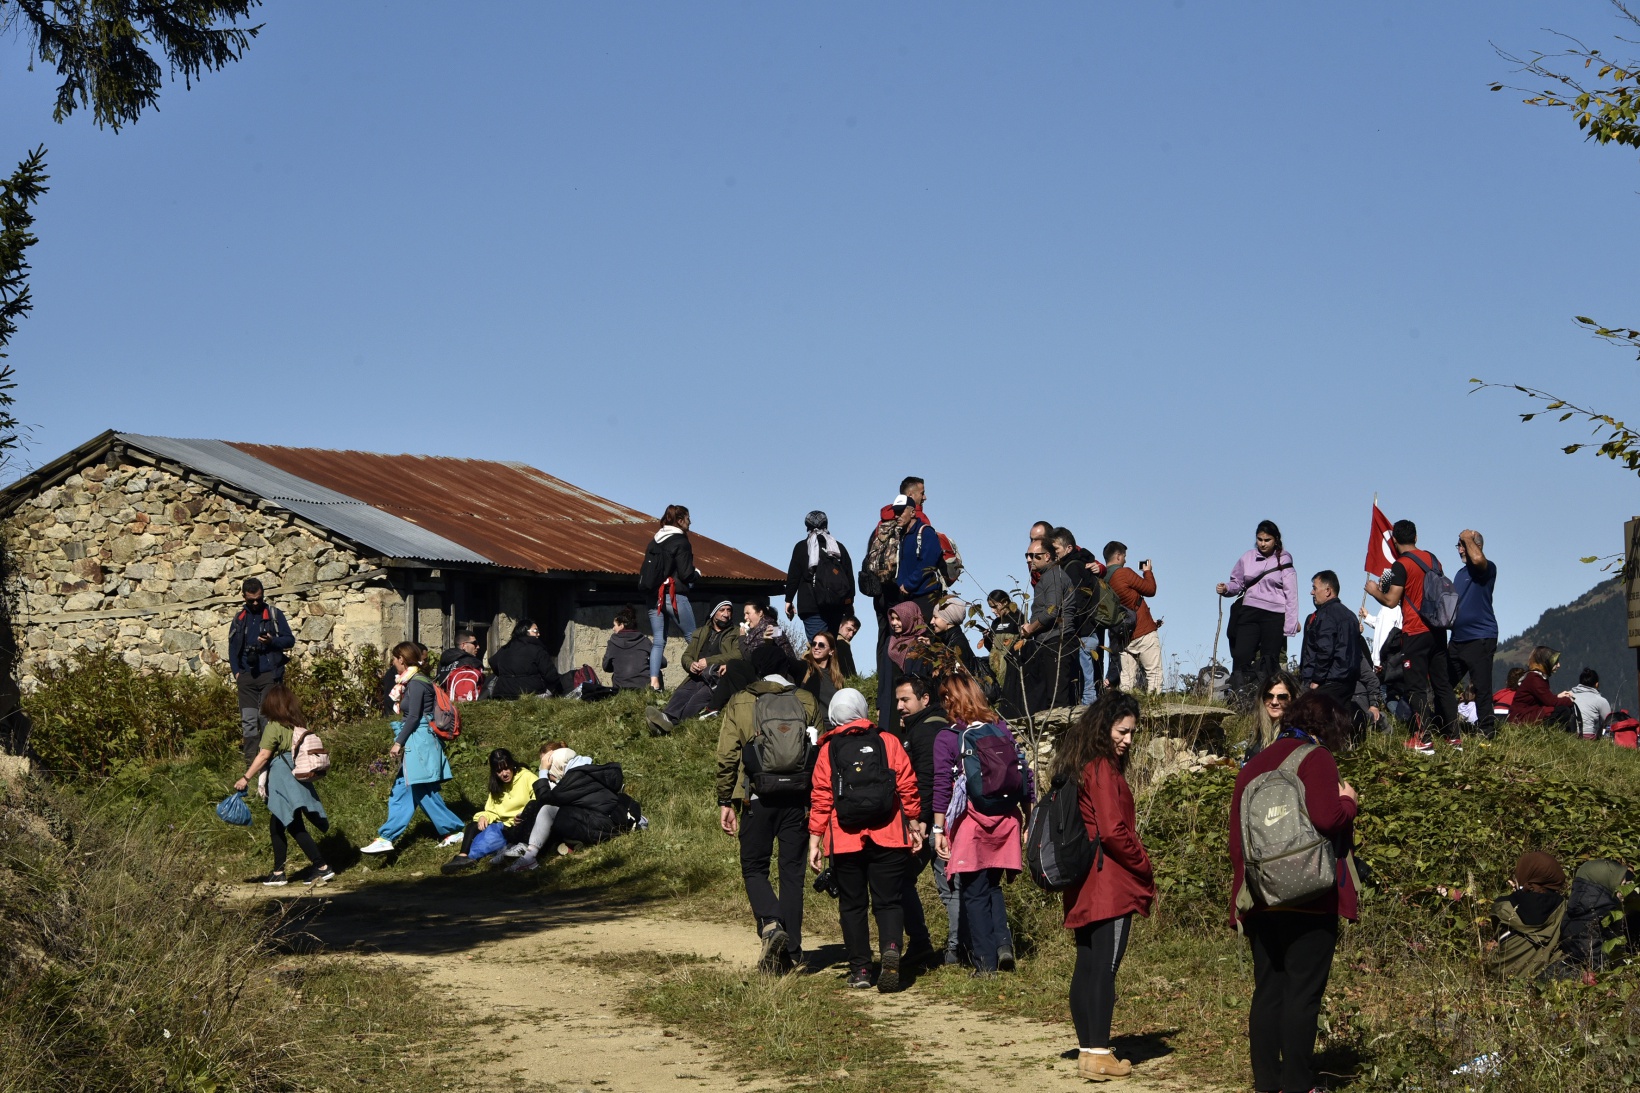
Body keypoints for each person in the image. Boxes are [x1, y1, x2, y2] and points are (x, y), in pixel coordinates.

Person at [1229, 692, 1359, 1093]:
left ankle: (1269, 1083)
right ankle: (1299, 1084)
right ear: (1327, 727)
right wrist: (1349, 802)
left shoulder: (1252, 766)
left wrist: (1243, 893)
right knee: (1302, 994)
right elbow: (1327, 815)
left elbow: (1238, 841)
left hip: (1261, 897)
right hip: (1310, 895)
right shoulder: (1314, 758)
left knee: (1268, 991)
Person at [1055, 691, 1155, 1081]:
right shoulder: (1101, 767)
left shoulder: (1081, 763)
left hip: (1085, 881)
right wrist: (1143, 864)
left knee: (1088, 964)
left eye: (1132, 732)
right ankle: (1098, 1051)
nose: (1128, 739)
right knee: (1104, 967)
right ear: (1104, 726)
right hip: (1108, 880)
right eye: (1122, 730)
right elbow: (1114, 830)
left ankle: (1088, 1051)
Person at [716, 643, 822, 974]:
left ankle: (771, 924)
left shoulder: (742, 700)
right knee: (792, 873)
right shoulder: (806, 700)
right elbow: (820, 751)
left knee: (754, 867)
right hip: (798, 800)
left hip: (756, 797)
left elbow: (727, 754)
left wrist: (725, 799)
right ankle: (791, 951)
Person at [808, 688, 923, 992]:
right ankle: (891, 948)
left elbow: (821, 796)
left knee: (852, 905)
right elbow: (907, 783)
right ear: (861, 709)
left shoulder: (828, 749)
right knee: (888, 901)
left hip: (845, 839)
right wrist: (913, 823)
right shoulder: (888, 741)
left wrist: (815, 840)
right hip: (888, 833)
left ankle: (860, 969)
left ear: (833, 714)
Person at [935, 674, 1031, 977]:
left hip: (972, 822)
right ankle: (1003, 946)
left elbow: (942, 786)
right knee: (992, 885)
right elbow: (1024, 774)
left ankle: (984, 963)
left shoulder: (949, 737)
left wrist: (938, 829)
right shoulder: (1001, 727)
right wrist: (1029, 816)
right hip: (1006, 819)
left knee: (973, 892)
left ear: (951, 700)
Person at [360, 643, 465, 855]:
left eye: (394, 658)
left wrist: (398, 742)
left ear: (402, 659)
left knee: (418, 790)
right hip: (417, 741)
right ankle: (388, 837)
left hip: (419, 742)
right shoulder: (413, 681)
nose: (392, 663)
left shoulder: (416, 683)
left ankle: (390, 836)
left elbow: (414, 717)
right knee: (404, 789)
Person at [1363, 520, 1459, 747]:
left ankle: (1423, 739)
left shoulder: (1401, 565)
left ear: (1394, 541)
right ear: (1416, 537)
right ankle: (1454, 737)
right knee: (1442, 684)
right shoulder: (1434, 560)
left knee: (1416, 687)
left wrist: (1375, 591)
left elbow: (1391, 600)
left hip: (1415, 631)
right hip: (1437, 629)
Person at [233, 683, 334, 887]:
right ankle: (279, 871)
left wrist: (246, 778)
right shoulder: (295, 723)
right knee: (278, 824)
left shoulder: (274, 726)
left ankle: (321, 867)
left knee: (293, 824)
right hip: (295, 773)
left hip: (282, 777)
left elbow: (263, 755)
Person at [895, 675, 952, 966]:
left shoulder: (926, 732)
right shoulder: (932, 726)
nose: (900, 706)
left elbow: (930, 780)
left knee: (904, 879)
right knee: (949, 886)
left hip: (931, 824)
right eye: (897, 701)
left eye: (905, 700)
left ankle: (928, 945)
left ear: (924, 699)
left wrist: (923, 821)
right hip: (939, 821)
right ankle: (955, 947)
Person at [1217, 521, 1298, 701]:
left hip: (1274, 615)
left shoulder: (1285, 561)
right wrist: (1227, 588)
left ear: (1276, 540)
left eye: (1267, 540)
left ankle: (1267, 700)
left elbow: (1291, 595)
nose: (1262, 543)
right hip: (1250, 610)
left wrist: (1290, 625)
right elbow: (1237, 583)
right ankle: (1239, 698)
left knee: (1269, 661)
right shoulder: (1248, 557)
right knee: (1241, 655)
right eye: (1259, 539)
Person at [228, 577, 296, 765]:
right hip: (246, 677)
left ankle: (271, 760)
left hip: (269, 675)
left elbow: (289, 640)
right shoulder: (239, 619)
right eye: (251, 600)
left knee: (267, 718)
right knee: (249, 721)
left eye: (259, 598)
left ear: (263, 594)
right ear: (244, 597)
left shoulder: (274, 614)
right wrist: (237, 673)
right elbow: (232, 649)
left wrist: (272, 641)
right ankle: (252, 763)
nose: (256, 603)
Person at [646, 600, 741, 734]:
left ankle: (671, 726)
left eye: (729, 610)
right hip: (696, 676)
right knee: (681, 694)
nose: (726, 614)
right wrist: (690, 665)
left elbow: (738, 654)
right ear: (714, 613)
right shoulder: (700, 632)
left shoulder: (736, 633)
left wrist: (708, 661)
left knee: (695, 702)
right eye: (722, 610)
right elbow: (686, 656)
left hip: (715, 679)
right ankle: (666, 718)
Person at [1440, 528, 1500, 738]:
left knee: (1482, 687)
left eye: (1463, 545)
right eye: (1458, 545)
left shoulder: (1487, 568)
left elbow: (1477, 558)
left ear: (1476, 546)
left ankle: (1486, 731)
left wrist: (1467, 535)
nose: (1459, 550)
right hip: (1458, 639)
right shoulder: (1460, 574)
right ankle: (1442, 725)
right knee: (1443, 683)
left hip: (1480, 637)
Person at [441, 749, 540, 872]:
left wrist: (523, 814)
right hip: (504, 827)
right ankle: (463, 857)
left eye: (506, 768)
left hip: (523, 824)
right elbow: (491, 810)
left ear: (512, 765)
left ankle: (509, 849)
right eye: (499, 771)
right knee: (474, 826)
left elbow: (539, 798)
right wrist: (484, 817)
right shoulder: (496, 785)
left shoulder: (526, 776)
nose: (504, 773)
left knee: (531, 807)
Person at [1014, 537, 1079, 715]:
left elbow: (1051, 611)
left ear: (1048, 556)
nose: (1029, 559)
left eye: (1034, 556)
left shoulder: (1053, 576)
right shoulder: (1048, 576)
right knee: (1048, 697)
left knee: (1057, 701)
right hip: (1049, 641)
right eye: (1027, 555)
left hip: (1057, 641)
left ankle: (1061, 741)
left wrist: (1030, 628)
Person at [641, 505, 700, 692]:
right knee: (694, 637)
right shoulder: (681, 542)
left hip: (653, 596)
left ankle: (654, 683)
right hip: (674, 596)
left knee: (658, 640)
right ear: (680, 520)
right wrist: (696, 574)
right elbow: (686, 573)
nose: (691, 521)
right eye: (688, 518)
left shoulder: (654, 541)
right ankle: (704, 676)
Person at [1487, 851, 1568, 978]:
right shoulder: (1564, 907)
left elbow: (1496, 942)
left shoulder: (1503, 905)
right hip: (1545, 980)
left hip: (1502, 977)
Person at [1051, 528, 1108, 706]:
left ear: (1068, 548)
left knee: (1084, 675)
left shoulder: (1073, 568)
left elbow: (1076, 600)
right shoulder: (1079, 564)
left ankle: (1087, 710)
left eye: (1056, 550)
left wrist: (1068, 625)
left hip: (1082, 630)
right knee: (1089, 673)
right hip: (1090, 629)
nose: (1053, 554)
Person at [784, 511, 856, 641]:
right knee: (830, 647)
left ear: (807, 527)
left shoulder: (801, 547)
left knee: (818, 648)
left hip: (811, 605)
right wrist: (849, 603)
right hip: (836, 605)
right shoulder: (838, 548)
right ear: (827, 525)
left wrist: (789, 599)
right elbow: (848, 578)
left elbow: (794, 576)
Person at [1299, 571, 1361, 711]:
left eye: (1315, 588)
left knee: (1316, 722)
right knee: (1340, 722)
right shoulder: (1350, 615)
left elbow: (1325, 649)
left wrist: (1316, 680)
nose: (1311, 592)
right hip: (1348, 682)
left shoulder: (1326, 615)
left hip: (1328, 682)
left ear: (1327, 591)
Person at [1107, 543, 1162, 695]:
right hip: (1142, 629)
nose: (1125, 560)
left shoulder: (1103, 579)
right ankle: (1154, 711)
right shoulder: (1123, 573)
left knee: (1126, 679)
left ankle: (1123, 714)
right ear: (1118, 556)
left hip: (1121, 634)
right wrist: (1147, 572)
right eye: (1124, 557)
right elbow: (1150, 589)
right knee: (1154, 674)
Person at [488, 618, 568, 699]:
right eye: (536, 631)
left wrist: (507, 676)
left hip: (503, 695)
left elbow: (492, 662)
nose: (538, 634)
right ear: (525, 631)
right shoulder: (537, 650)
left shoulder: (504, 649)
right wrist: (559, 690)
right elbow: (551, 676)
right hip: (530, 694)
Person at [895, 497, 945, 618]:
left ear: (912, 512)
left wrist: (908, 584)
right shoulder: (902, 536)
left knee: (924, 635)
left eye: (901, 511)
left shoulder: (926, 532)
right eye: (895, 512)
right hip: (907, 597)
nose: (897, 516)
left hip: (926, 596)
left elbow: (928, 563)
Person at [1509, 646, 1576, 730]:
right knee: (1563, 711)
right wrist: (1569, 700)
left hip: (1523, 715)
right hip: (1521, 718)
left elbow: (1546, 698)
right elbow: (1551, 702)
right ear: (1546, 662)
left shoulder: (1535, 677)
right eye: (1555, 662)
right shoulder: (1535, 679)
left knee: (1562, 710)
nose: (1558, 665)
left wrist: (1558, 696)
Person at [1244, 669, 1299, 763]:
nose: (1274, 702)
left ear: (1293, 699)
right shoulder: (1258, 731)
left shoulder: (1296, 735)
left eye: (1282, 697)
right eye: (1269, 696)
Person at [603, 605, 660, 690]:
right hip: (644, 688)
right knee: (656, 672)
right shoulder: (645, 641)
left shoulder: (612, 643)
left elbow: (606, 667)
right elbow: (661, 662)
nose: (613, 628)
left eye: (614, 625)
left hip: (621, 689)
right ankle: (656, 691)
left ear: (621, 625)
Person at [927, 598, 982, 680]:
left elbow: (958, 681)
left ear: (948, 619)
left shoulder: (957, 645)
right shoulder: (947, 640)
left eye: (935, 617)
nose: (931, 621)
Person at [800, 631, 846, 726]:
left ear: (831, 651)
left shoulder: (837, 677)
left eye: (821, 645)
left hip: (834, 729)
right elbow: (783, 660)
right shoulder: (805, 669)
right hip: (814, 728)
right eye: (814, 644)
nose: (816, 647)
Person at [435, 630, 485, 699]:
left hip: (445, 704)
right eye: (475, 643)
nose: (478, 647)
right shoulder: (472, 663)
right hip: (466, 705)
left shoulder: (443, 661)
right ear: (463, 645)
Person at [1568, 667, 1612, 740]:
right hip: (1588, 737)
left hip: (1569, 735)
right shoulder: (1601, 700)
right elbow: (1608, 723)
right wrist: (1606, 739)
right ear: (1597, 684)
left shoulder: (1569, 695)